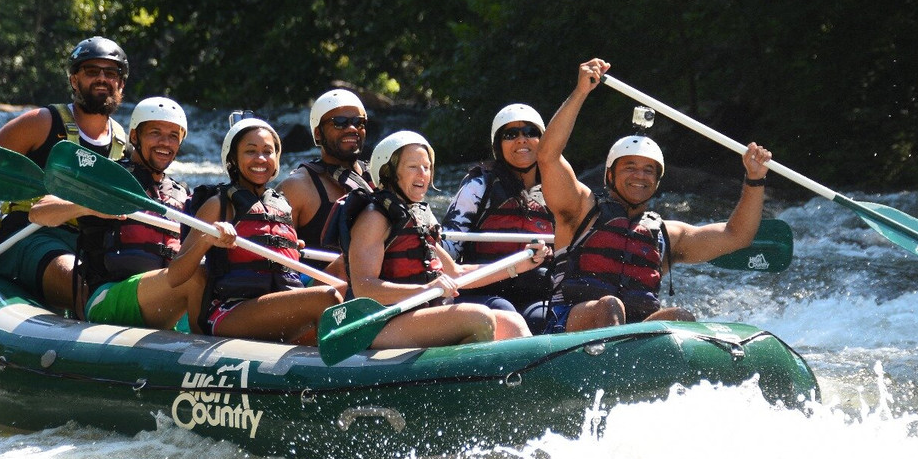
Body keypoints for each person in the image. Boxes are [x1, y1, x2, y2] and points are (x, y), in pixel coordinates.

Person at [536, 58, 773, 333]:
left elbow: (736, 236)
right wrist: (580, 93)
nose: (640, 175)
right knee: (609, 306)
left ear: (658, 180)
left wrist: (755, 179)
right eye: (630, 167)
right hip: (571, 324)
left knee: (680, 317)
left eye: (649, 170)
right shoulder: (579, 209)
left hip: (633, 337)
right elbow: (548, 156)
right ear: (609, 175)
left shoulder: (665, 236)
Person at [329, 130, 544, 350]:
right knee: (478, 317)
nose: (423, 174)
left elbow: (455, 273)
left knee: (513, 323)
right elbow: (365, 287)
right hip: (380, 324)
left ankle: (527, 381)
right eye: (413, 167)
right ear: (389, 172)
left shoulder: (418, 216)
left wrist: (518, 266)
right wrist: (426, 289)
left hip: (420, 314)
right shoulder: (374, 218)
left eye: (427, 167)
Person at [0, 36, 129, 310]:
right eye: (92, 71)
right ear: (74, 80)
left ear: (120, 83)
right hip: (29, 233)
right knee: (79, 285)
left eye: (111, 72)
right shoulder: (41, 122)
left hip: (85, 243)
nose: (102, 78)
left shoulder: (122, 141)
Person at [29, 96, 205, 329]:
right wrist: (90, 204)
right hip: (108, 298)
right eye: (155, 133)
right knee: (192, 278)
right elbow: (38, 212)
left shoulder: (182, 194)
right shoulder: (106, 178)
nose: (165, 142)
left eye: (173, 136)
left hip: (165, 299)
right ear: (134, 137)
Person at [167, 115, 343, 342]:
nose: (260, 158)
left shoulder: (281, 205)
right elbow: (174, 276)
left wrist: (290, 248)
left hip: (275, 306)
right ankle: (338, 369)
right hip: (230, 312)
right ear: (233, 159)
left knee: (344, 272)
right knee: (326, 298)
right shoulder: (220, 205)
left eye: (268, 151)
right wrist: (206, 240)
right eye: (250, 151)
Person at [441, 104, 555, 328]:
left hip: (535, 293)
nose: (522, 139)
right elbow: (448, 249)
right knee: (506, 312)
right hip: (485, 291)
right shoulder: (479, 186)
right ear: (498, 146)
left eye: (530, 132)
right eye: (511, 134)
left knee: (544, 320)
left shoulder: (555, 191)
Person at [277, 89, 374, 258]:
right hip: (320, 281)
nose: (352, 128)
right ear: (318, 133)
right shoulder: (297, 187)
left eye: (359, 122)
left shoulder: (380, 179)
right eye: (339, 122)